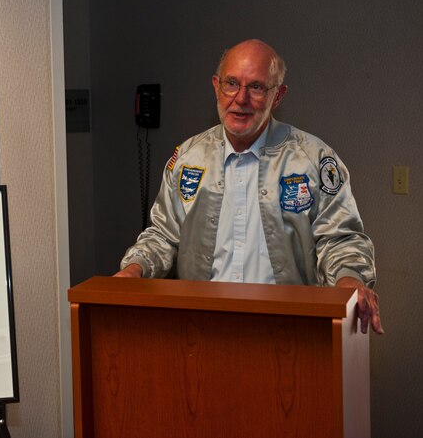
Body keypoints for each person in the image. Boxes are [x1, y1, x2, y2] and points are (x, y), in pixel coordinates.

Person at [114, 39, 383, 335]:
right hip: (201, 329)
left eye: (256, 87)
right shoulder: (188, 159)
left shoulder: (313, 159)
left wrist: (349, 280)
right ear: (216, 86)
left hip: (290, 332)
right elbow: (163, 236)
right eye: (232, 83)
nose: (240, 98)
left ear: (277, 96)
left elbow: (341, 239)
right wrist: (134, 268)